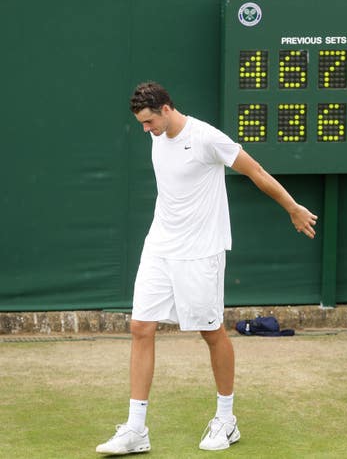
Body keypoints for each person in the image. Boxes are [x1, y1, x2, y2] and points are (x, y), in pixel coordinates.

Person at [96, 81, 318, 455]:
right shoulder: (156, 135)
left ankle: (226, 420)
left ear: (166, 109)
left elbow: (256, 171)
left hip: (201, 252)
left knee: (210, 332)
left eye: (149, 121)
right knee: (140, 327)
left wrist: (292, 208)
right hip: (160, 247)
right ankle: (136, 429)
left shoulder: (207, 139)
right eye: (141, 123)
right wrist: (150, 130)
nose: (145, 130)